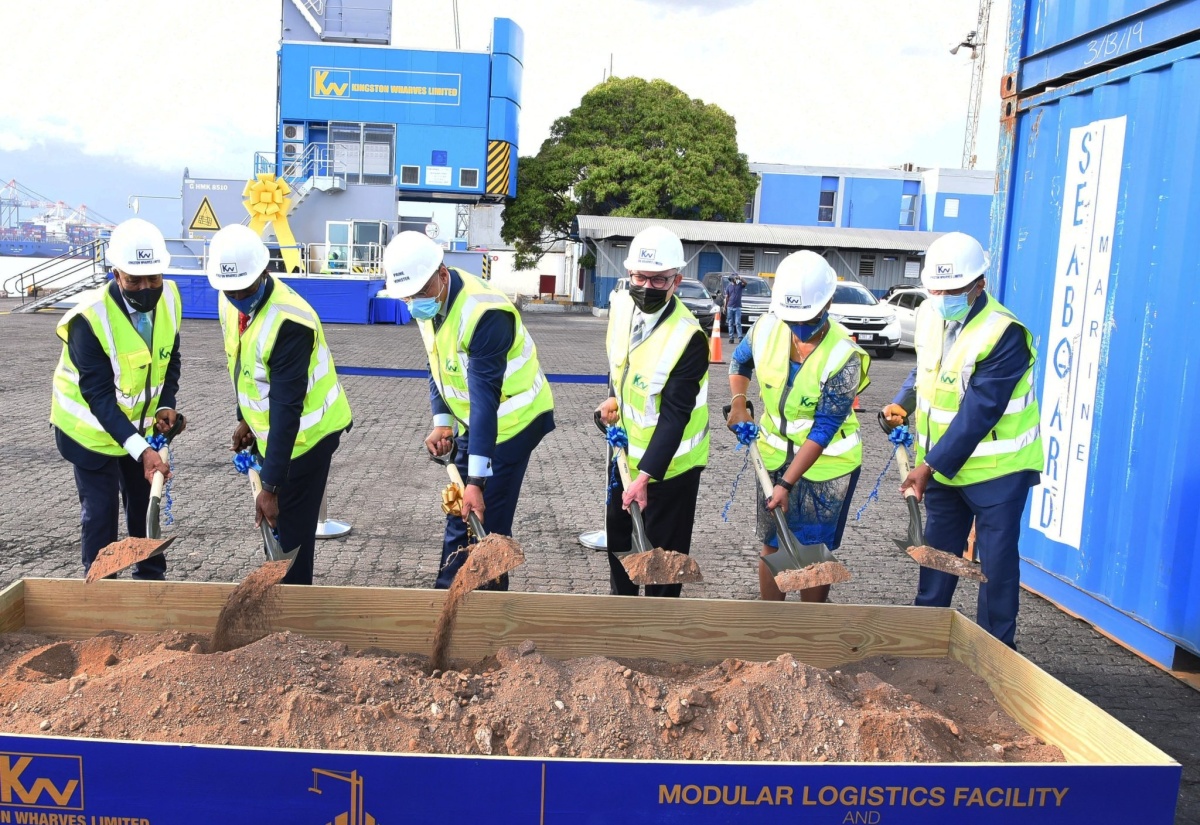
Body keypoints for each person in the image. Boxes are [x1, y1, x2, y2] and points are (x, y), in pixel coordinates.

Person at [881, 231, 1042, 648]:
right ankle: (926, 642)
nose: (941, 296)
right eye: (935, 288)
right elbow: (926, 370)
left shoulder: (1004, 333)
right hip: (944, 471)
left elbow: (979, 411)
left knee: (996, 566)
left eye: (952, 290)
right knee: (937, 557)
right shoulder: (932, 316)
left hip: (997, 473)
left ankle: (997, 652)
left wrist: (927, 466)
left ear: (979, 285)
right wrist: (903, 402)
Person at [382, 231, 555, 590]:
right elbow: (438, 364)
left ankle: (487, 615)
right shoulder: (427, 300)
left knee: (486, 523)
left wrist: (477, 481)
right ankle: (448, 600)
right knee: (462, 518)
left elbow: (486, 400)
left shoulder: (484, 314)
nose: (414, 303)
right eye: (407, 297)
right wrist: (442, 422)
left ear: (442, 273)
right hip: (475, 421)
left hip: (513, 422)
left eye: (420, 293)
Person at [207, 224, 353, 586]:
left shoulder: (290, 322)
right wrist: (245, 419)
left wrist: (269, 487)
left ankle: (293, 614)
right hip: (276, 433)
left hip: (309, 437)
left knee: (291, 535)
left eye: (246, 287)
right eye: (231, 289)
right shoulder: (229, 301)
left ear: (265, 271)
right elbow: (242, 366)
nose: (238, 295)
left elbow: (287, 409)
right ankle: (281, 598)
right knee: (278, 530)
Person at [726, 252, 869, 602]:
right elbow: (739, 362)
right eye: (792, 319)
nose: (799, 328)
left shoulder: (844, 356)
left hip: (828, 467)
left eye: (808, 318)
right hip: (773, 457)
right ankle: (770, 626)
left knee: (813, 550)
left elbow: (823, 429)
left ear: (829, 303)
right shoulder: (767, 328)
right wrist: (739, 401)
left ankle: (807, 629)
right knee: (773, 543)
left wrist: (787, 483)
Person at [49, 218, 182, 580]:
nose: (145, 287)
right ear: (114, 273)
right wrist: (143, 450)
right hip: (88, 430)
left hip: (135, 428)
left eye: (152, 278)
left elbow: (169, 358)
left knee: (144, 503)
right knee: (101, 511)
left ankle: (151, 579)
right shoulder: (88, 320)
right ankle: (101, 588)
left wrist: (166, 403)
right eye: (134, 280)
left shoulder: (169, 297)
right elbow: (99, 397)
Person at [597, 225, 710, 597]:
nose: (647, 287)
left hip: (672, 466)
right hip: (625, 457)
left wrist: (646, 477)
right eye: (640, 277)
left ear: (676, 280)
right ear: (629, 274)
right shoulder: (621, 307)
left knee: (664, 564)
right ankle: (622, 623)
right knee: (621, 547)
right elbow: (620, 366)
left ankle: (659, 638)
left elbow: (676, 414)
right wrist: (612, 398)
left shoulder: (689, 338)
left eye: (659, 280)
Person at [724, 273, 746, 344]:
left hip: (737, 307)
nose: (735, 280)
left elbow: (745, 283)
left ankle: (740, 337)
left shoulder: (740, 285)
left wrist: (740, 278)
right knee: (730, 323)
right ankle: (731, 338)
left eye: (735, 278)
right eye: (734, 278)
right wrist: (725, 307)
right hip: (730, 307)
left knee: (738, 323)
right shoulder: (729, 287)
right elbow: (727, 297)